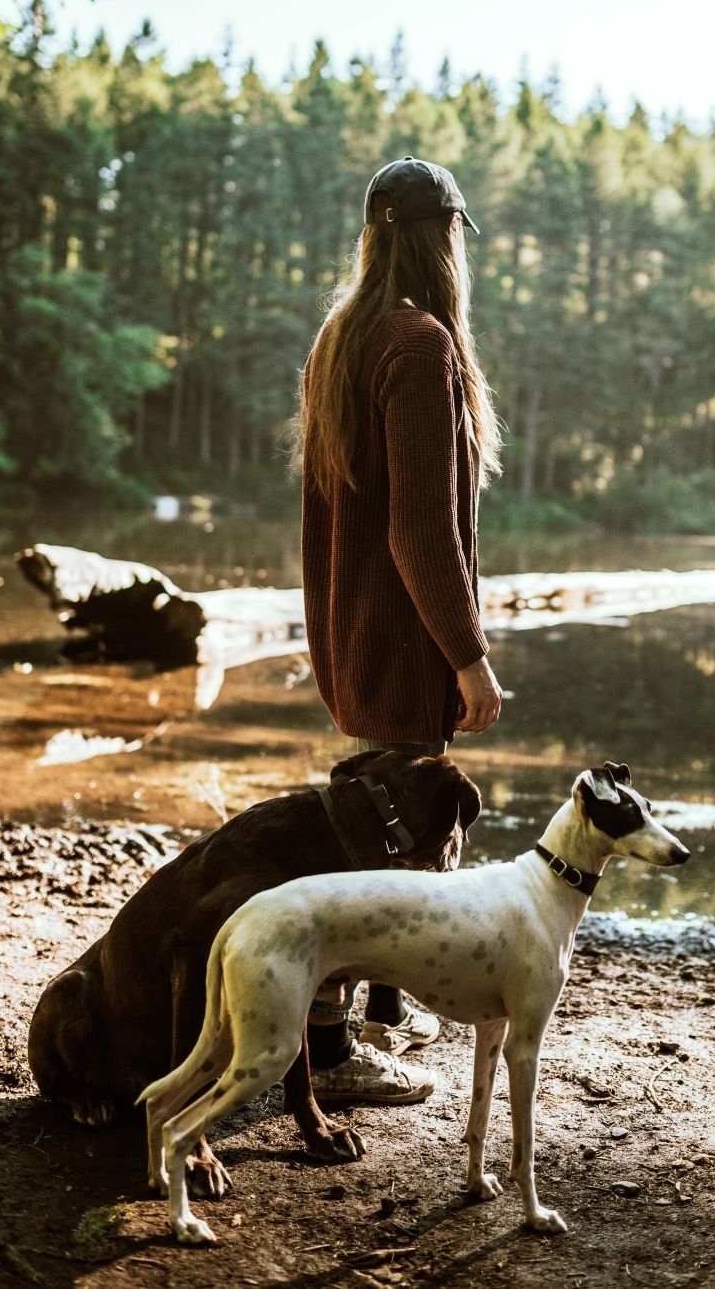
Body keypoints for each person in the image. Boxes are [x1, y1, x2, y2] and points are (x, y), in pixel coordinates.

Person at [297, 154, 503, 1104]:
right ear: (443, 239)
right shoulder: (418, 347)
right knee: (382, 848)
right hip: (401, 640)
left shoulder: (343, 336)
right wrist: (470, 659)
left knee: (393, 830)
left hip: (355, 635)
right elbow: (419, 533)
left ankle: (384, 1009)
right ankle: (331, 1053)